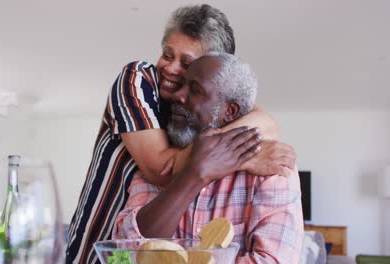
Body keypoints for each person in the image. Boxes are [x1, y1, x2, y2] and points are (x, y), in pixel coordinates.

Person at [66, 5, 296, 264]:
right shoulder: (139, 81)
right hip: (93, 251)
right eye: (167, 54)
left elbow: (266, 122)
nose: (171, 68)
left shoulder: (195, 123)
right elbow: (160, 168)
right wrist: (236, 156)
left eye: (187, 64)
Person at [113, 53, 304, 263]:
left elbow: (274, 260)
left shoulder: (272, 170)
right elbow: (124, 254)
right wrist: (194, 174)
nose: (178, 95)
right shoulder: (160, 164)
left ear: (230, 112)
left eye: (195, 90)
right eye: (182, 85)